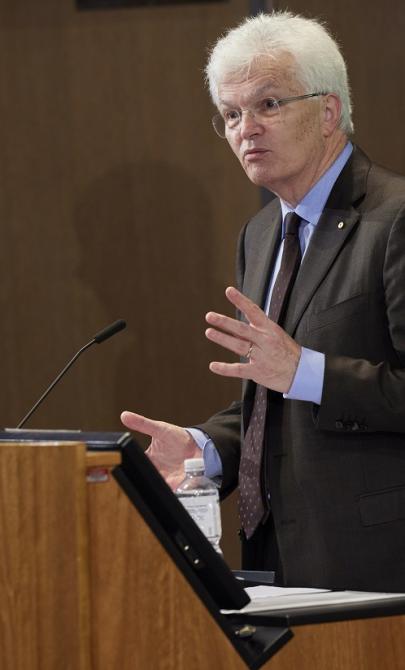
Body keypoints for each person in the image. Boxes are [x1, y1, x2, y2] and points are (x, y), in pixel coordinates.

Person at [121, 12, 405, 592]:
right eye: (230, 114)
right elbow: (274, 398)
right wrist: (204, 450)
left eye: (268, 105)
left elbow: (300, 376)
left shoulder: (394, 218)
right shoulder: (259, 236)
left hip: (378, 563)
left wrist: (307, 372)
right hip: (275, 562)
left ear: (329, 112)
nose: (245, 129)